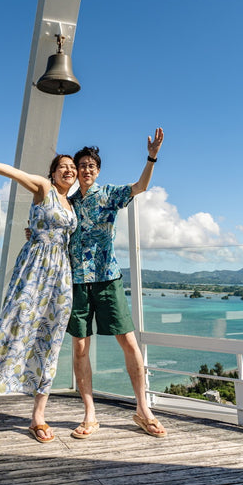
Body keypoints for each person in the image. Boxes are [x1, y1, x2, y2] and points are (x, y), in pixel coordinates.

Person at [0, 143, 78, 445]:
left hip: (61, 279)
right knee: (9, 330)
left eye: (73, 167)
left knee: (51, 342)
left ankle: (38, 416)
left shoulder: (73, 205)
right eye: (64, 166)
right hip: (33, 271)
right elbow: (13, 172)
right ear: (53, 172)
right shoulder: (43, 188)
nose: (69, 170)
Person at [68, 127, 167, 439]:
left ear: (97, 171)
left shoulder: (109, 194)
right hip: (77, 281)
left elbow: (140, 186)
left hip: (108, 278)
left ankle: (143, 408)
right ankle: (90, 413)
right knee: (80, 347)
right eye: (81, 165)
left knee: (128, 342)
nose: (86, 170)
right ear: (75, 170)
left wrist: (151, 157)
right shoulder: (67, 203)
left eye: (91, 166)